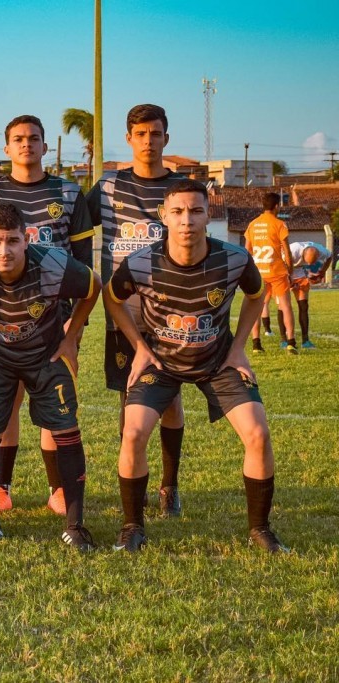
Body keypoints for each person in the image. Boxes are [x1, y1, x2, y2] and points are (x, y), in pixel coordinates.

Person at [104, 179, 287, 553]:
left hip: (217, 361)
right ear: (164, 216)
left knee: (258, 433)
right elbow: (112, 298)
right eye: (178, 211)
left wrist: (239, 348)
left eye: (196, 211)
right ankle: (132, 527)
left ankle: (260, 529)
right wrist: (139, 347)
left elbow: (257, 296)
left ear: (207, 216)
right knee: (133, 433)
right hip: (161, 362)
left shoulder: (234, 259)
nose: (186, 219)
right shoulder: (140, 263)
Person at [0, 203, 100, 549]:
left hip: (46, 357)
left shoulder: (54, 264)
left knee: (66, 431)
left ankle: (75, 525)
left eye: (12, 241)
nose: (4, 250)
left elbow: (93, 285)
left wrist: (71, 338)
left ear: (26, 240)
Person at [0, 114, 95, 516]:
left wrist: (75, 328)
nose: (27, 144)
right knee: (6, 403)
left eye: (34, 138)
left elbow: (84, 263)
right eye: (19, 139)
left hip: (54, 320)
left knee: (54, 403)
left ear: (45, 146)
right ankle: (1, 487)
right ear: (7, 148)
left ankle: (58, 488)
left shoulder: (68, 192)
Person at [88, 103, 187, 518]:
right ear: (129, 139)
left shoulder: (181, 187)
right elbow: (75, 229)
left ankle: (169, 485)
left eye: (156, 133)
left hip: (172, 313)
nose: (149, 141)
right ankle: (134, 482)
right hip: (123, 315)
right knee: (129, 399)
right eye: (141, 134)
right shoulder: (108, 188)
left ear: (166, 138)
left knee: (170, 400)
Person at [244, 193, 296, 355]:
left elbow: (247, 251)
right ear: (277, 206)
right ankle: (291, 342)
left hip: (259, 273)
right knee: (285, 306)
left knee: (257, 308)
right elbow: (287, 251)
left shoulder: (253, 225)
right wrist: (290, 270)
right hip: (277, 271)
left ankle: (256, 344)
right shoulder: (279, 224)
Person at [288, 241, 332, 348]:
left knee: (304, 306)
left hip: (300, 273)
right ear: (302, 254)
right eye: (307, 262)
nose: (309, 265)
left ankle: (305, 340)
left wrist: (322, 272)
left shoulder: (322, 251)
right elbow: (280, 264)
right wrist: (290, 281)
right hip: (286, 271)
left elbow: (330, 257)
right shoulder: (292, 250)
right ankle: (284, 340)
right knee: (284, 307)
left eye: (312, 263)